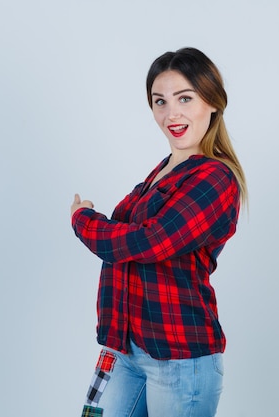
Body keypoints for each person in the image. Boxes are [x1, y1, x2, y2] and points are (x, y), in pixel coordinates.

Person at [70, 47, 247, 417]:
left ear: (212, 103)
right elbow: (128, 236)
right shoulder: (162, 170)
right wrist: (106, 228)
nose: (172, 113)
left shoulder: (215, 177)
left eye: (185, 98)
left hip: (180, 360)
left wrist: (83, 221)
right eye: (160, 101)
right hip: (122, 347)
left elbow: (152, 241)